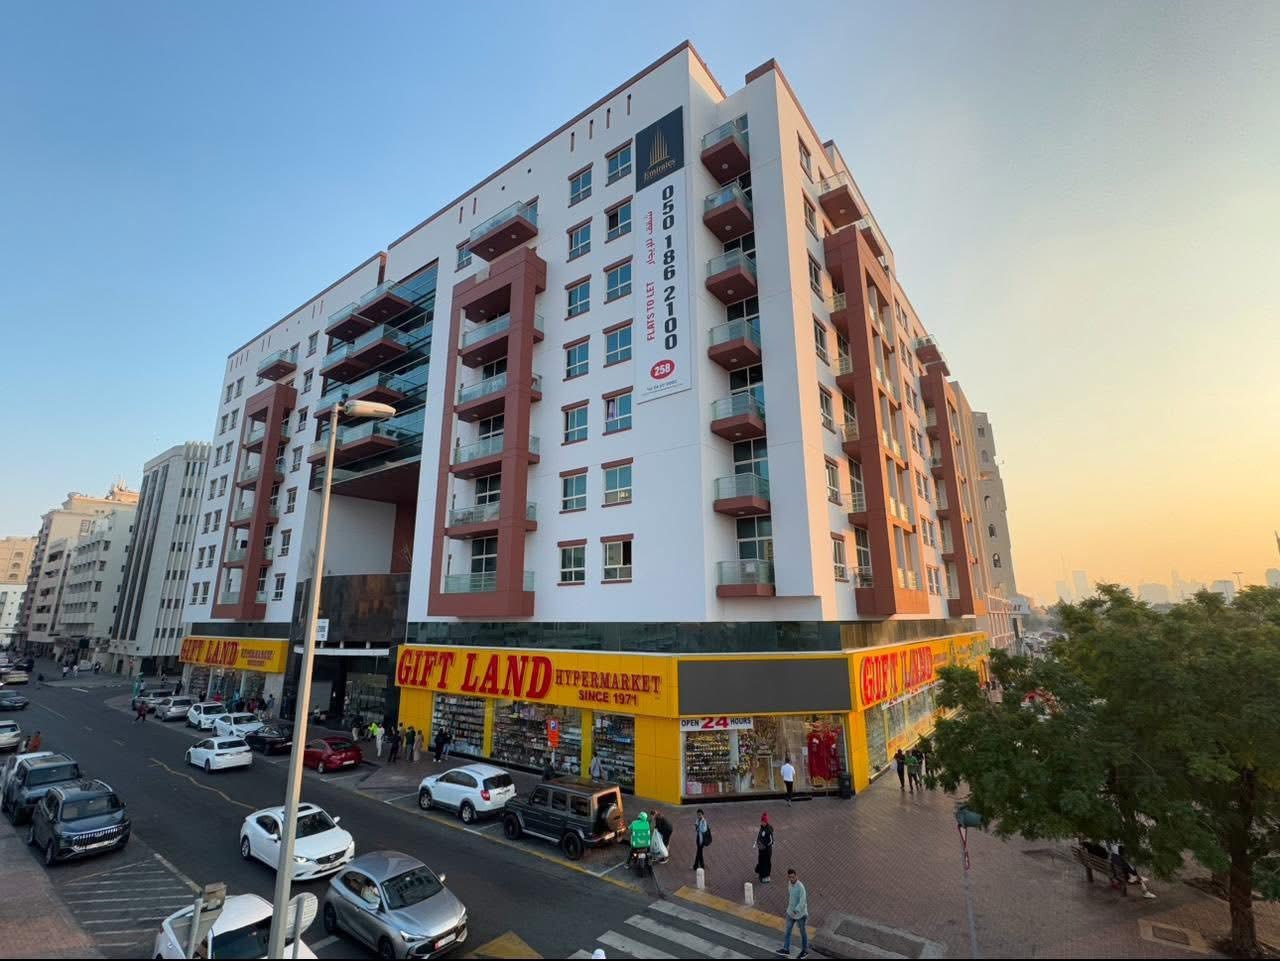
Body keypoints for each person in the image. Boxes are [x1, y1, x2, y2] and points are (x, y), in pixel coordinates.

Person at [775, 868, 809, 959]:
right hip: (790, 913)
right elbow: (791, 897)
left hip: (800, 915)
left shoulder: (801, 887)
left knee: (803, 933)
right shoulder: (789, 884)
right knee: (787, 931)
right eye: (790, 877)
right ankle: (786, 949)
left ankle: (805, 951)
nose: (791, 879)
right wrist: (790, 909)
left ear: (796, 876)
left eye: (793, 877)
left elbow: (803, 901)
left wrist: (796, 909)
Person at [755, 812, 775, 884]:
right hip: (761, 849)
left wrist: (765, 845)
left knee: (766, 863)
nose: (762, 823)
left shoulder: (768, 830)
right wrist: (757, 842)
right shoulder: (762, 828)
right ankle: (761, 874)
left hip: (766, 850)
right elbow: (759, 836)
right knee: (761, 861)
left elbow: (771, 841)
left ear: (766, 822)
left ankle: (766, 877)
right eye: (762, 821)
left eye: (763, 822)